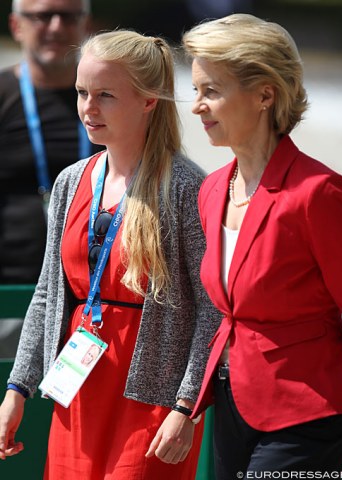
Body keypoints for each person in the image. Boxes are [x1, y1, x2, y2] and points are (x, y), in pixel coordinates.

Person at [0, 30, 221, 479]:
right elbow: (47, 292)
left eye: (105, 95)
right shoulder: (70, 181)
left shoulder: (185, 187)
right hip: (77, 384)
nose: (88, 107)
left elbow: (212, 308)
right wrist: (16, 388)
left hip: (153, 397)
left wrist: (187, 406)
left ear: (148, 101)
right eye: (81, 92)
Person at [182, 13, 342, 478]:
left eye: (211, 91)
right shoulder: (211, 190)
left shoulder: (319, 193)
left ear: (265, 95)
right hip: (232, 402)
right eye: (196, 90)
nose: (197, 106)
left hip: (309, 411)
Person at [0, 0, 103, 358]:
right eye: (43, 16)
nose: (57, 27)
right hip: (13, 295)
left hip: (96, 300)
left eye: (69, 16)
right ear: (16, 25)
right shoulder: (4, 95)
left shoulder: (112, 98)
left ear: (86, 24)